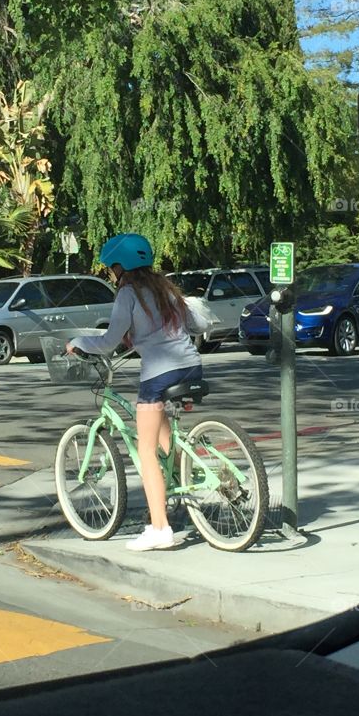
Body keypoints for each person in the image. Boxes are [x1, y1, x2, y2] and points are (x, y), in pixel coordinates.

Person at [66, 233, 211, 552]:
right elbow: (191, 326)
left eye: (111, 267)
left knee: (144, 451)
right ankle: (177, 485)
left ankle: (160, 528)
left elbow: (107, 342)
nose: (110, 273)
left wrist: (77, 343)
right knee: (161, 435)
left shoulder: (128, 294)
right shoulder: (166, 289)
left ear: (121, 266)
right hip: (191, 365)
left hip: (159, 373)